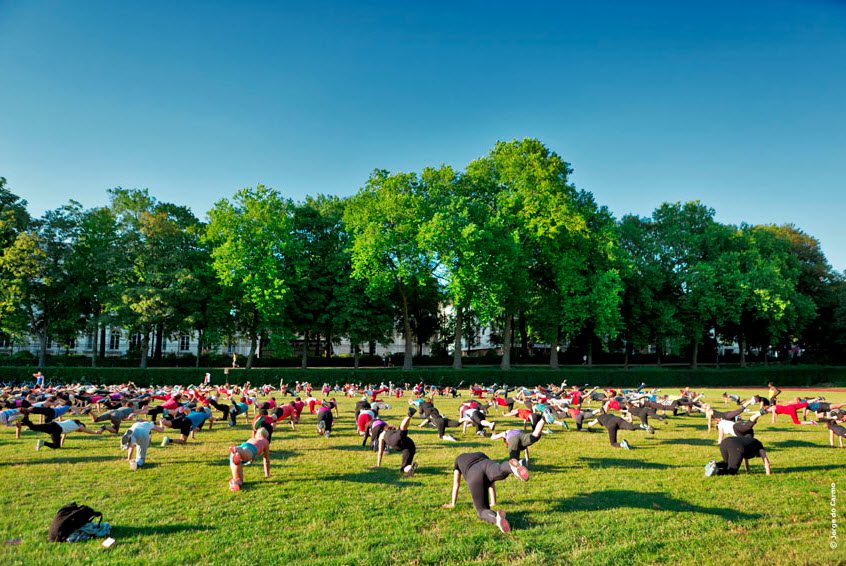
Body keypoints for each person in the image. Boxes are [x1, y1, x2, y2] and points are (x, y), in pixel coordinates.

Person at [442, 452, 529, 534]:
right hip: (485, 463)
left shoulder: (458, 459)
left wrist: (453, 503)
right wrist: (493, 502)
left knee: (482, 510)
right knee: (499, 470)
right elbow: (491, 482)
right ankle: (510, 467)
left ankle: (496, 518)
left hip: (473, 473)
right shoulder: (481, 454)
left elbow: (456, 484)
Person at [20, 414, 102, 450]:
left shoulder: (71, 422)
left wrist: (61, 443)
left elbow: (64, 435)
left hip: (54, 424)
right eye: (80, 431)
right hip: (56, 429)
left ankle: (24, 419)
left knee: (33, 427)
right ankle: (42, 443)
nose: (79, 431)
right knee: (56, 446)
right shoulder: (79, 425)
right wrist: (95, 432)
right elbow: (87, 431)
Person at [229, 427, 271, 492]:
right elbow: (266, 459)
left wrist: (250, 461)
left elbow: (251, 456)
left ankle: (235, 483)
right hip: (251, 449)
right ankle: (238, 450)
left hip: (240, 449)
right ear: (266, 435)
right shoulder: (265, 441)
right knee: (245, 453)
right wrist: (267, 474)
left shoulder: (252, 439)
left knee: (239, 479)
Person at [705, 435, 771, 476]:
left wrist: (747, 470)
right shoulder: (760, 446)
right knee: (732, 470)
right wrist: (768, 474)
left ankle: (714, 465)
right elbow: (765, 460)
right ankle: (716, 471)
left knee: (727, 462)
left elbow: (745, 458)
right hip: (737, 446)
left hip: (725, 442)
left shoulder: (750, 443)